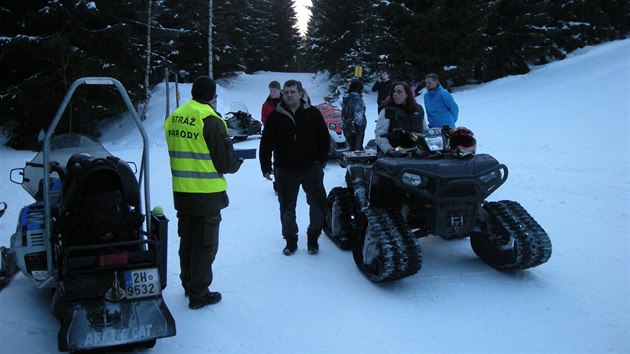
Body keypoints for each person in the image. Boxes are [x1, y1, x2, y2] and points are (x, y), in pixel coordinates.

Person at [164, 75, 243, 310]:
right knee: (205, 244)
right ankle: (199, 293)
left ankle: (188, 283)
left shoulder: (175, 117)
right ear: (213, 96)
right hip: (207, 194)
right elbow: (224, 163)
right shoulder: (211, 119)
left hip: (182, 192)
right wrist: (236, 161)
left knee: (187, 240)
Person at [259, 80, 330, 256]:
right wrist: (266, 166)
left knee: (317, 206)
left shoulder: (313, 113)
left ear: (300, 93)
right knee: (287, 209)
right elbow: (266, 142)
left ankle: (313, 237)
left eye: (293, 91)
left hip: (310, 168)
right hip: (285, 170)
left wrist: (320, 160)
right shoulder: (276, 115)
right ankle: (291, 241)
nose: (289, 95)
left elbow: (323, 138)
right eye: (287, 92)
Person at [374, 81, 427, 157]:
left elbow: (425, 130)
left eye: (399, 92)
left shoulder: (418, 109)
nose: (395, 94)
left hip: (416, 151)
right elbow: (379, 134)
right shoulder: (387, 110)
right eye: (394, 92)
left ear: (407, 94)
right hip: (393, 152)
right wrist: (388, 149)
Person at [341, 79, 367, 151]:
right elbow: (359, 116)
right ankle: (356, 161)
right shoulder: (356, 98)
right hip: (356, 129)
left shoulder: (346, 97)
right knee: (357, 151)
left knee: (351, 148)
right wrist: (360, 129)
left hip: (347, 126)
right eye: (362, 87)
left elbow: (343, 113)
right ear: (358, 88)